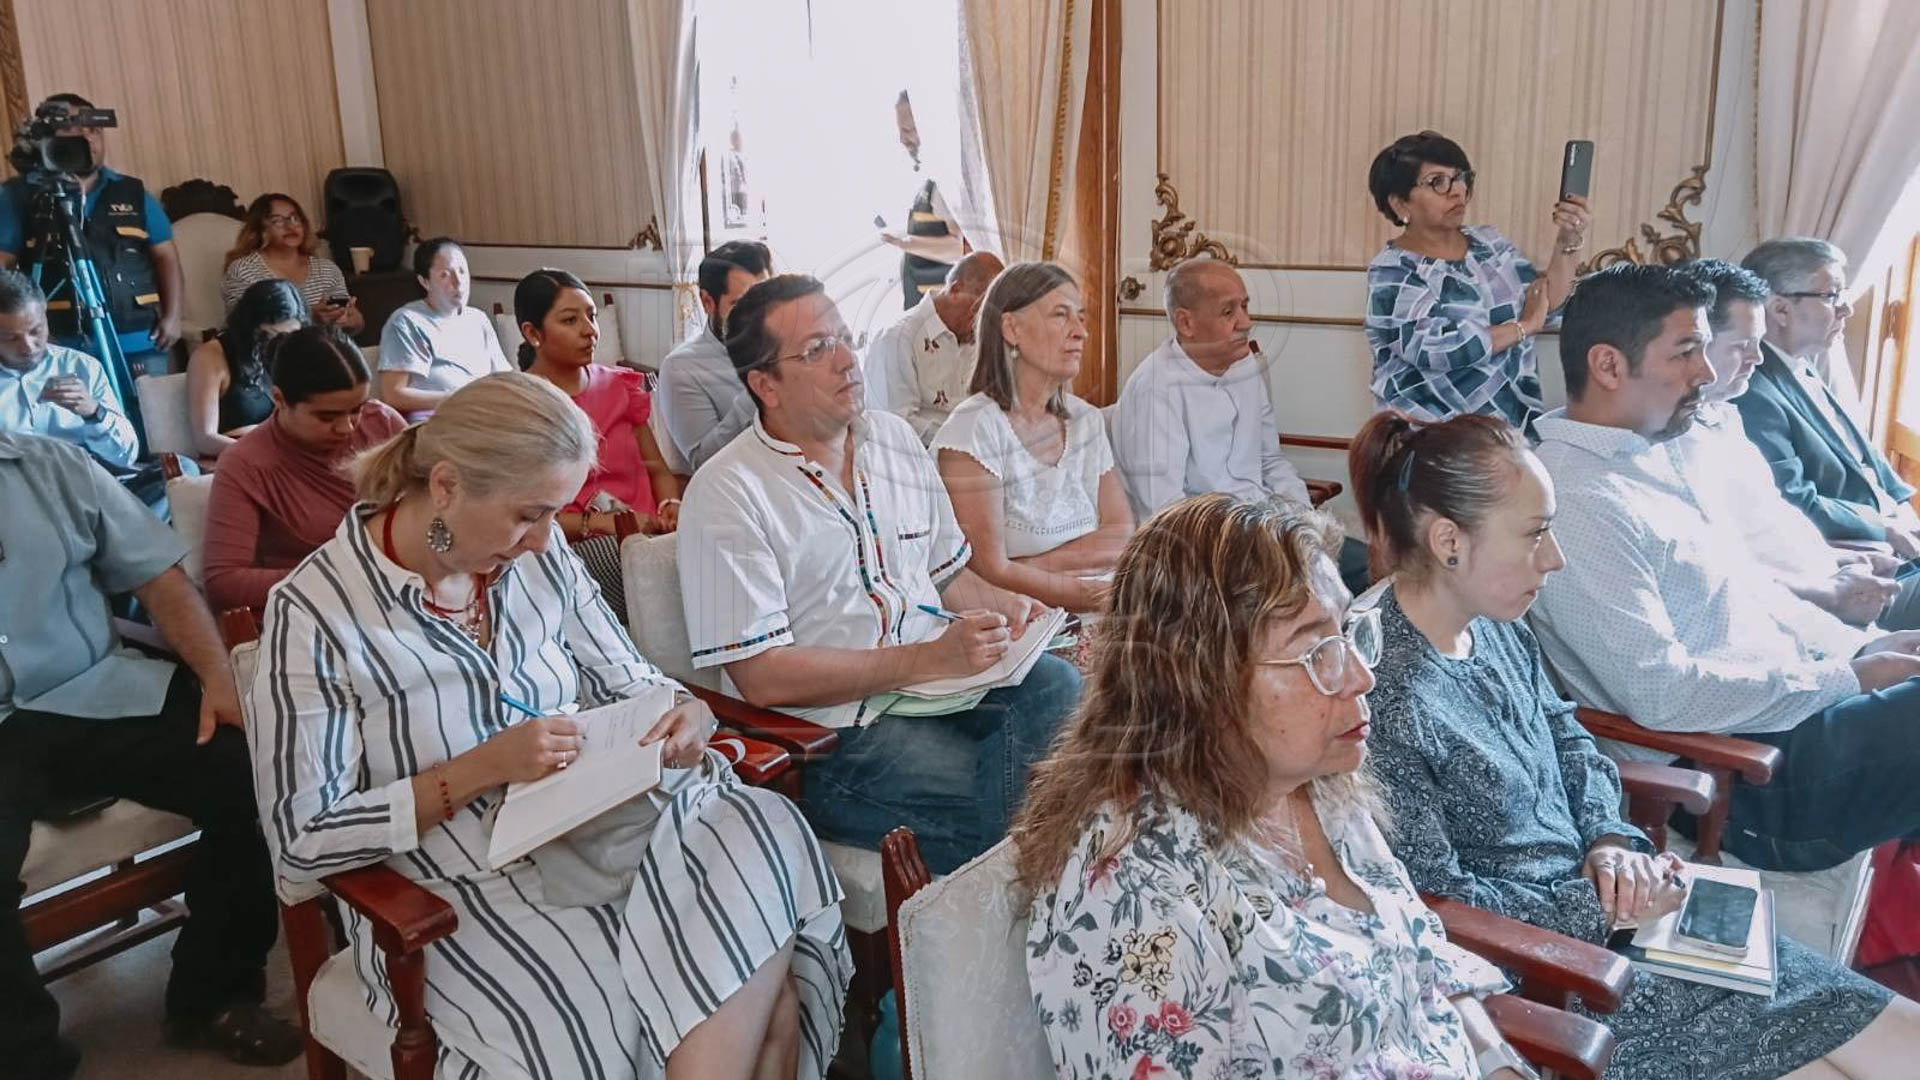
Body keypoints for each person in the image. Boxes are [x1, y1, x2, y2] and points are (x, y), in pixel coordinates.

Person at [252, 372, 849, 1080]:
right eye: (527, 515)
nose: (544, 540)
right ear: (444, 486)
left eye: (552, 515)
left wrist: (680, 709)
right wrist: (478, 769)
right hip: (455, 881)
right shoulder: (315, 614)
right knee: (740, 997)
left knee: (763, 834)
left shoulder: (534, 558)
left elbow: (629, 676)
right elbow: (301, 842)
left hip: (596, 823)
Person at [1350, 409, 1913, 1078]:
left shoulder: (1488, 620)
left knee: (1881, 1027)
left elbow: (1570, 740)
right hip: (1557, 973)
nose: (1554, 558)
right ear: (1449, 541)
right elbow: (1432, 904)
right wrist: (1605, 903)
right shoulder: (1379, 696)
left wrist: (1612, 843)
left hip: (1624, 914)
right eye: (1535, 535)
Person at [1015, 494, 1532, 1080]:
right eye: (1315, 649)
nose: (1361, 677)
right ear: (1201, 681)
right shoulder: (1137, 892)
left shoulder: (1320, 786)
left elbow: (1424, 959)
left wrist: (1500, 1064)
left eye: (1346, 632)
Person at [678, 274, 1081, 874]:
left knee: (1061, 690)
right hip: (834, 736)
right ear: (765, 385)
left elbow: (949, 576)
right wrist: (927, 660)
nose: (848, 361)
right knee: (1037, 796)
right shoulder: (728, 492)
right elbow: (761, 677)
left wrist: (1011, 608)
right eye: (817, 350)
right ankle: (1021, 904)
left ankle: (1034, 876)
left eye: (845, 337)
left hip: (939, 690)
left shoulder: (892, 440)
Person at [1529, 263, 1920, 873]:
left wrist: (1860, 647)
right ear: (1607, 366)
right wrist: (1851, 678)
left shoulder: (1657, 457)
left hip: (1791, 710)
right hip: (1742, 772)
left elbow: (1751, 594)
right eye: (1687, 351)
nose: (1707, 373)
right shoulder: (1577, 502)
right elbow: (1659, 691)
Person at [1, 429, 299, 1080]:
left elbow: (159, 579)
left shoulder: (51, 464)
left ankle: (213, 996)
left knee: (249, 773)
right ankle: (26, 1060)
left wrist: (219, 681)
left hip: (90, 694)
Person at [1679, 259, 1919, 630]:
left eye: (1757, 344)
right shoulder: (1688, 439)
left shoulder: (1726, 417)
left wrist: (1837, 558)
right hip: (1820, 607)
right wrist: (1831, 586)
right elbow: (1733, 567)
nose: (1756, 358)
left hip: (1843, 568)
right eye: (1742, 345)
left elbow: (1776, 522)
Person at [931, 262, 1130, 614]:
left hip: (1102, 598)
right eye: (1060, 315)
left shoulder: (1085, 418)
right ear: (1011, 328)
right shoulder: (974, 429)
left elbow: (1121, 534)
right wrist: (1101, 597)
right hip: (1022, 619)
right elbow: (987, 573)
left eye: (1080, 317)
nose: (1080, 332)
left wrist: (1025, 567)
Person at [1363, 130, 1592, 429]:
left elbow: (1546, 304)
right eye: (1438, 182)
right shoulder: (1392, 270)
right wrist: (1523, 327)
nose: (1457, 191)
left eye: (1460, 178)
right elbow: (1437, 348)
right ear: (1400, 204)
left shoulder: (1490, 244)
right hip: (1429, 444)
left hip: (1511, 435)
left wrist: (1568, 239)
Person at [1734, 237, 1920, 554]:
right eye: (1831, 295)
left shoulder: (1803, 363)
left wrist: (1905, 510)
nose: (1847, 308)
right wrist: (1885, 529)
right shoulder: (1752, 391)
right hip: (1863, 554)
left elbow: (1865, 461)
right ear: (1780, 308)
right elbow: (1792, 498)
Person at [201, 327, 405, 612]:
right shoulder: (245, 465)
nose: (348, 427)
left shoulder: (382, 423)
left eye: (357, 408)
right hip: (316, 613)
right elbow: (224, 584)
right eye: (327, 416)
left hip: (401, 595)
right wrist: (346, 577)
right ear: (280, 399)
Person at [516, 268, 681, 613]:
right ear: (533, 333)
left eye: (591, 316)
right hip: (581, 545)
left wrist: (671, 507)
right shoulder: (521, 406)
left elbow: (658, 470)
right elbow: (522, 517)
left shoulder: (619, 386)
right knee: (621, 563)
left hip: (653, 537)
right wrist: (605, 524)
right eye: (570, 320)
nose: (590, 331)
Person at [0, 93, 184, 378]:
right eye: (73, 131)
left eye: (94, 131)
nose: (88, 139)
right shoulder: (19, 196)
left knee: (153, 419)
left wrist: (173, 317)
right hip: (61, 341)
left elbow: (166, 256)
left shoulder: (132, 192)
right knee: (78, 419)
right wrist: (29, 331)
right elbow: (3, 266)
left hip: (139, 337)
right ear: (48, 141)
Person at [0, 267, 137, 467]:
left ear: (45, 316)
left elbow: (126, 456)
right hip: (14, 488)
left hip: (84, 483)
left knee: (183, 467)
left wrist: (93, 412)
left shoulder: (82, 367)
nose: (28, 347)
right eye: (10, 338)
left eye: (36, 331)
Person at [866, 250, 1003, 445]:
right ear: (955, 291)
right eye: (981, 311)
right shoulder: (897, 339)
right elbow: (896, 428)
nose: (985, 324)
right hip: (917, 467)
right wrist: (964, 442)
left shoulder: (976, 338)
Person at [659, 240, 772, 472]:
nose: (758, 314)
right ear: (707, 302)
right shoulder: (681, 368)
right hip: (740, 492)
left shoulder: (788, 343)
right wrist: (758, 389)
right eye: (741, 304)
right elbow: (703, 462)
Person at [375, 237, 511, 417]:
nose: (458, 281)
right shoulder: (407, 322)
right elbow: (394, 394)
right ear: (424, 282)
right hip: (437, 421)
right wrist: (462, 398)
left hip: (484, 415)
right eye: (445, 274)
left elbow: (505, 377)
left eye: (462, 271)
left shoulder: (478, 319)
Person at [185, 278, 308, 460]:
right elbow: (205, 439)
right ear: (250, 326)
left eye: (289, 336)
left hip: (287, 453)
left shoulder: (292, 350)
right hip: (236, 457)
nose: (278, 344)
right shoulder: (210, 357)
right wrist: (267, 454)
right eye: (269, 335)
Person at [219, 193, 363, 335]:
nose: (290, 226)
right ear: (260, 230)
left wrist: (352, 320)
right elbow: (241, 328)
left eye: (295, 218)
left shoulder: (327, 269)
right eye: (278, 220)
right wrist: (309, 318)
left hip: (322, 351)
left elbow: (351, 326)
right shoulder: (244, 270)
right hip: (267, 355)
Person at [879, 91, 966, 309]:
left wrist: (906, 244)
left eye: (908, 130)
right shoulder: (926, 182)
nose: (904, 140)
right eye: (901, 132)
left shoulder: (946, 182)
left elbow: (963, 250)